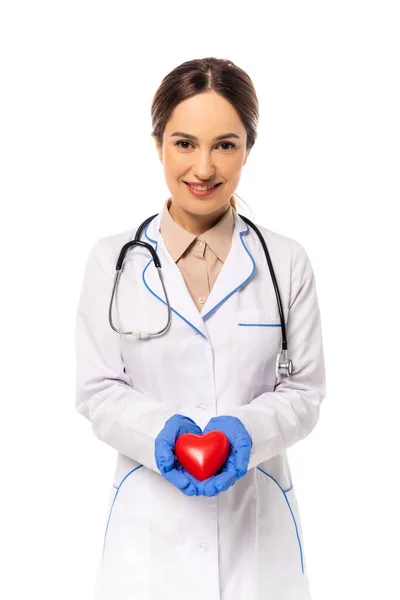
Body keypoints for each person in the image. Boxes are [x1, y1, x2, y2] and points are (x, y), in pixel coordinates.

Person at [75, 56, 326, 600]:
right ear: (160, 144)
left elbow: (304, 392)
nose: (204, 167)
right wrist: (165, 435)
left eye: (225, 145)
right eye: (185, 143)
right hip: (146, 542)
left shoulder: (286, 263)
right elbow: (98, 391)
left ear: (248, 149)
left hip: (256, 541)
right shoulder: (112, 261)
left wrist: (244, 433)